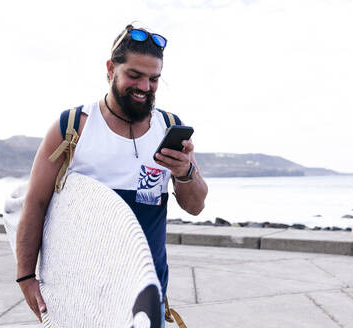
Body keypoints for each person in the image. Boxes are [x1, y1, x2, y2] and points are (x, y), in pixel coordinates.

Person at [15, 24, 208, 326]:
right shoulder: (73, 128)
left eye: (154, 79)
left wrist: (186, 172)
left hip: (144, 294)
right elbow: (35, 203)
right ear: (110, 69)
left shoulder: (169, 127)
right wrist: (26, 276)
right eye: (134, 75)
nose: (145, 87)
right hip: (81, 295)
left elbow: (196, 206)